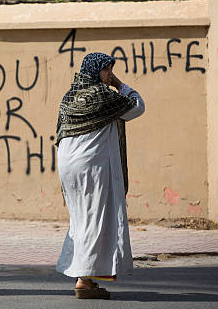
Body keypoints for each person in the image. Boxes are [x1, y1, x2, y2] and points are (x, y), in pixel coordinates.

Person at [55, 52, 145, 299]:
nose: (110, 75)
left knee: (81, 218)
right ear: (96, 71)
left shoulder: (69, 96)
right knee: (95, 218)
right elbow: (137, 106)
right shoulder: (103, 95)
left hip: (68, 165)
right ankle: (85, 280)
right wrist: (120, 85)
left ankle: (86, 275)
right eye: (107, 70)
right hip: (91, 165)